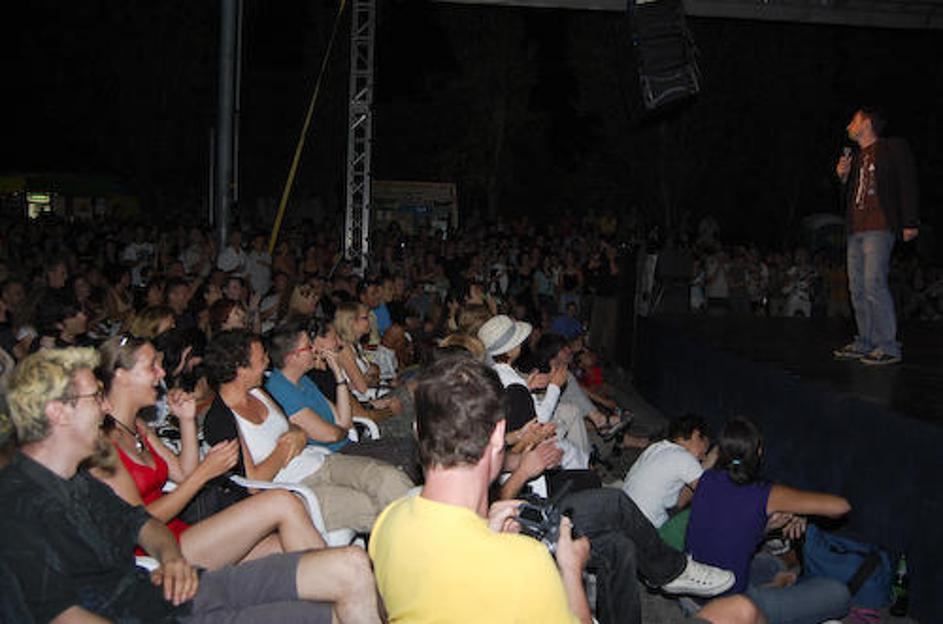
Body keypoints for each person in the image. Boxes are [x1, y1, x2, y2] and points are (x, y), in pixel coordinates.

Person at [0, 347, 381, 623]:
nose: (104, 407)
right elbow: (61, 614)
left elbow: (141, 523)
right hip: (157, 613)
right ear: (57, 413)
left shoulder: (76, 480)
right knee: (329, 609)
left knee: (352, 565)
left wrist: (171, 559)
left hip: (172, 590)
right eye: (94, 397)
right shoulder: (17, 509)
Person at [368, 355, 593, 623]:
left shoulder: (387, 521)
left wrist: (486, 530)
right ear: (498, 436)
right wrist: (571, 571)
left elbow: (387, 612)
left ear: (417, 431)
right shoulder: (527, 562)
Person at [94, 335, 328, 570]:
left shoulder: (138, 427)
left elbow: (183, 474)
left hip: (183, 534)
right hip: (156, 551)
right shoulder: (101, 443)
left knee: (284, 544)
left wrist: (186, 420)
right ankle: (334, 576)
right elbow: (139, 521)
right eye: (151, 367)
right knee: (281, 501)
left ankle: (331, 581)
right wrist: (204, 473)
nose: (162, 373)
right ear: (122, 376)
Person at [202, 329, 413, 533]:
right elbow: (253, 483)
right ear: (240, 370)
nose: (267, 362)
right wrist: (285, 447)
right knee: (373, 507)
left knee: (389, 478)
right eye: (261, 358)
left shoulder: (259, 392)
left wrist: (296, 437)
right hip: (294, 491)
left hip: (318, 461)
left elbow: (297, 432)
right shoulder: (222, 421)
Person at [685, 417, 852, 624]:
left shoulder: (706, 479)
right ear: (759, 452)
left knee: (773, 564)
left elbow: (727, 534)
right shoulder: (766, 493)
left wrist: (766, 526)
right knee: (839, 594)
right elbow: (841, 507)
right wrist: (802, 511)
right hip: (728, 608)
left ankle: (773, 589)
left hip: (691, 592)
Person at [833, 106, 919, 366]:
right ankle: (865, 341)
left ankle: (888, 346)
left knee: (873, 283)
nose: (849, 126)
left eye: (853, 120)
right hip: (855, 230)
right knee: (857, 288)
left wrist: (910, 221)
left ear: (867, 123)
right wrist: (843, 177)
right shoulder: (856, 157)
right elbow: (849, 198)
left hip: (879, 227)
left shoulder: (892, 148)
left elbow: (907, 182)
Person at [623, 414, 713, 529]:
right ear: (696, 435)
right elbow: (710, 493)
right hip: (644, 525)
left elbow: (680, 501)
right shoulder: (684, 457)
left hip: (623, 512)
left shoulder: (656, 448)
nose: (703, 457)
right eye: (704, 451)